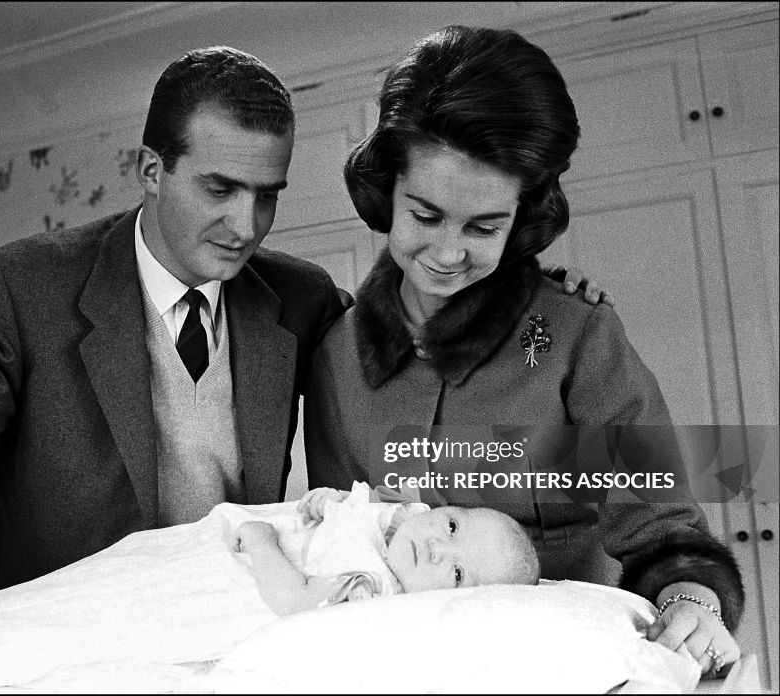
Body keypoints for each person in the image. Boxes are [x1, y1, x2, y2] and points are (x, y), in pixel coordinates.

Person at [0, 44, 606, 694]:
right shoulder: (22, 290)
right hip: (75, 646)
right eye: (219, 188)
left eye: (268, 194)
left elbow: (419, 356)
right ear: (153, 171)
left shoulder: (301, 299)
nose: (246, 225)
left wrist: (528, 298)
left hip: (239, 649)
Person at [303, 25, 744, 681]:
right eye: (425, 215)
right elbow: (344, 540)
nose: (449, 254)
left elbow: (663, 532)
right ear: (384, 192)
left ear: (522, 217)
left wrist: (690, 601)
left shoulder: (576, 338)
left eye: (484, 227)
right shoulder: (336, 357)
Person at [234, 482, 539, 615]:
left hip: (259, 550)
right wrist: (332, 498)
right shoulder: (410, 507)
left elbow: (292, 600)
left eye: (457, 572)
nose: (437, 548)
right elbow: (358, 495)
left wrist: (260, 539)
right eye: (452, 528)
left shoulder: (371, 586)